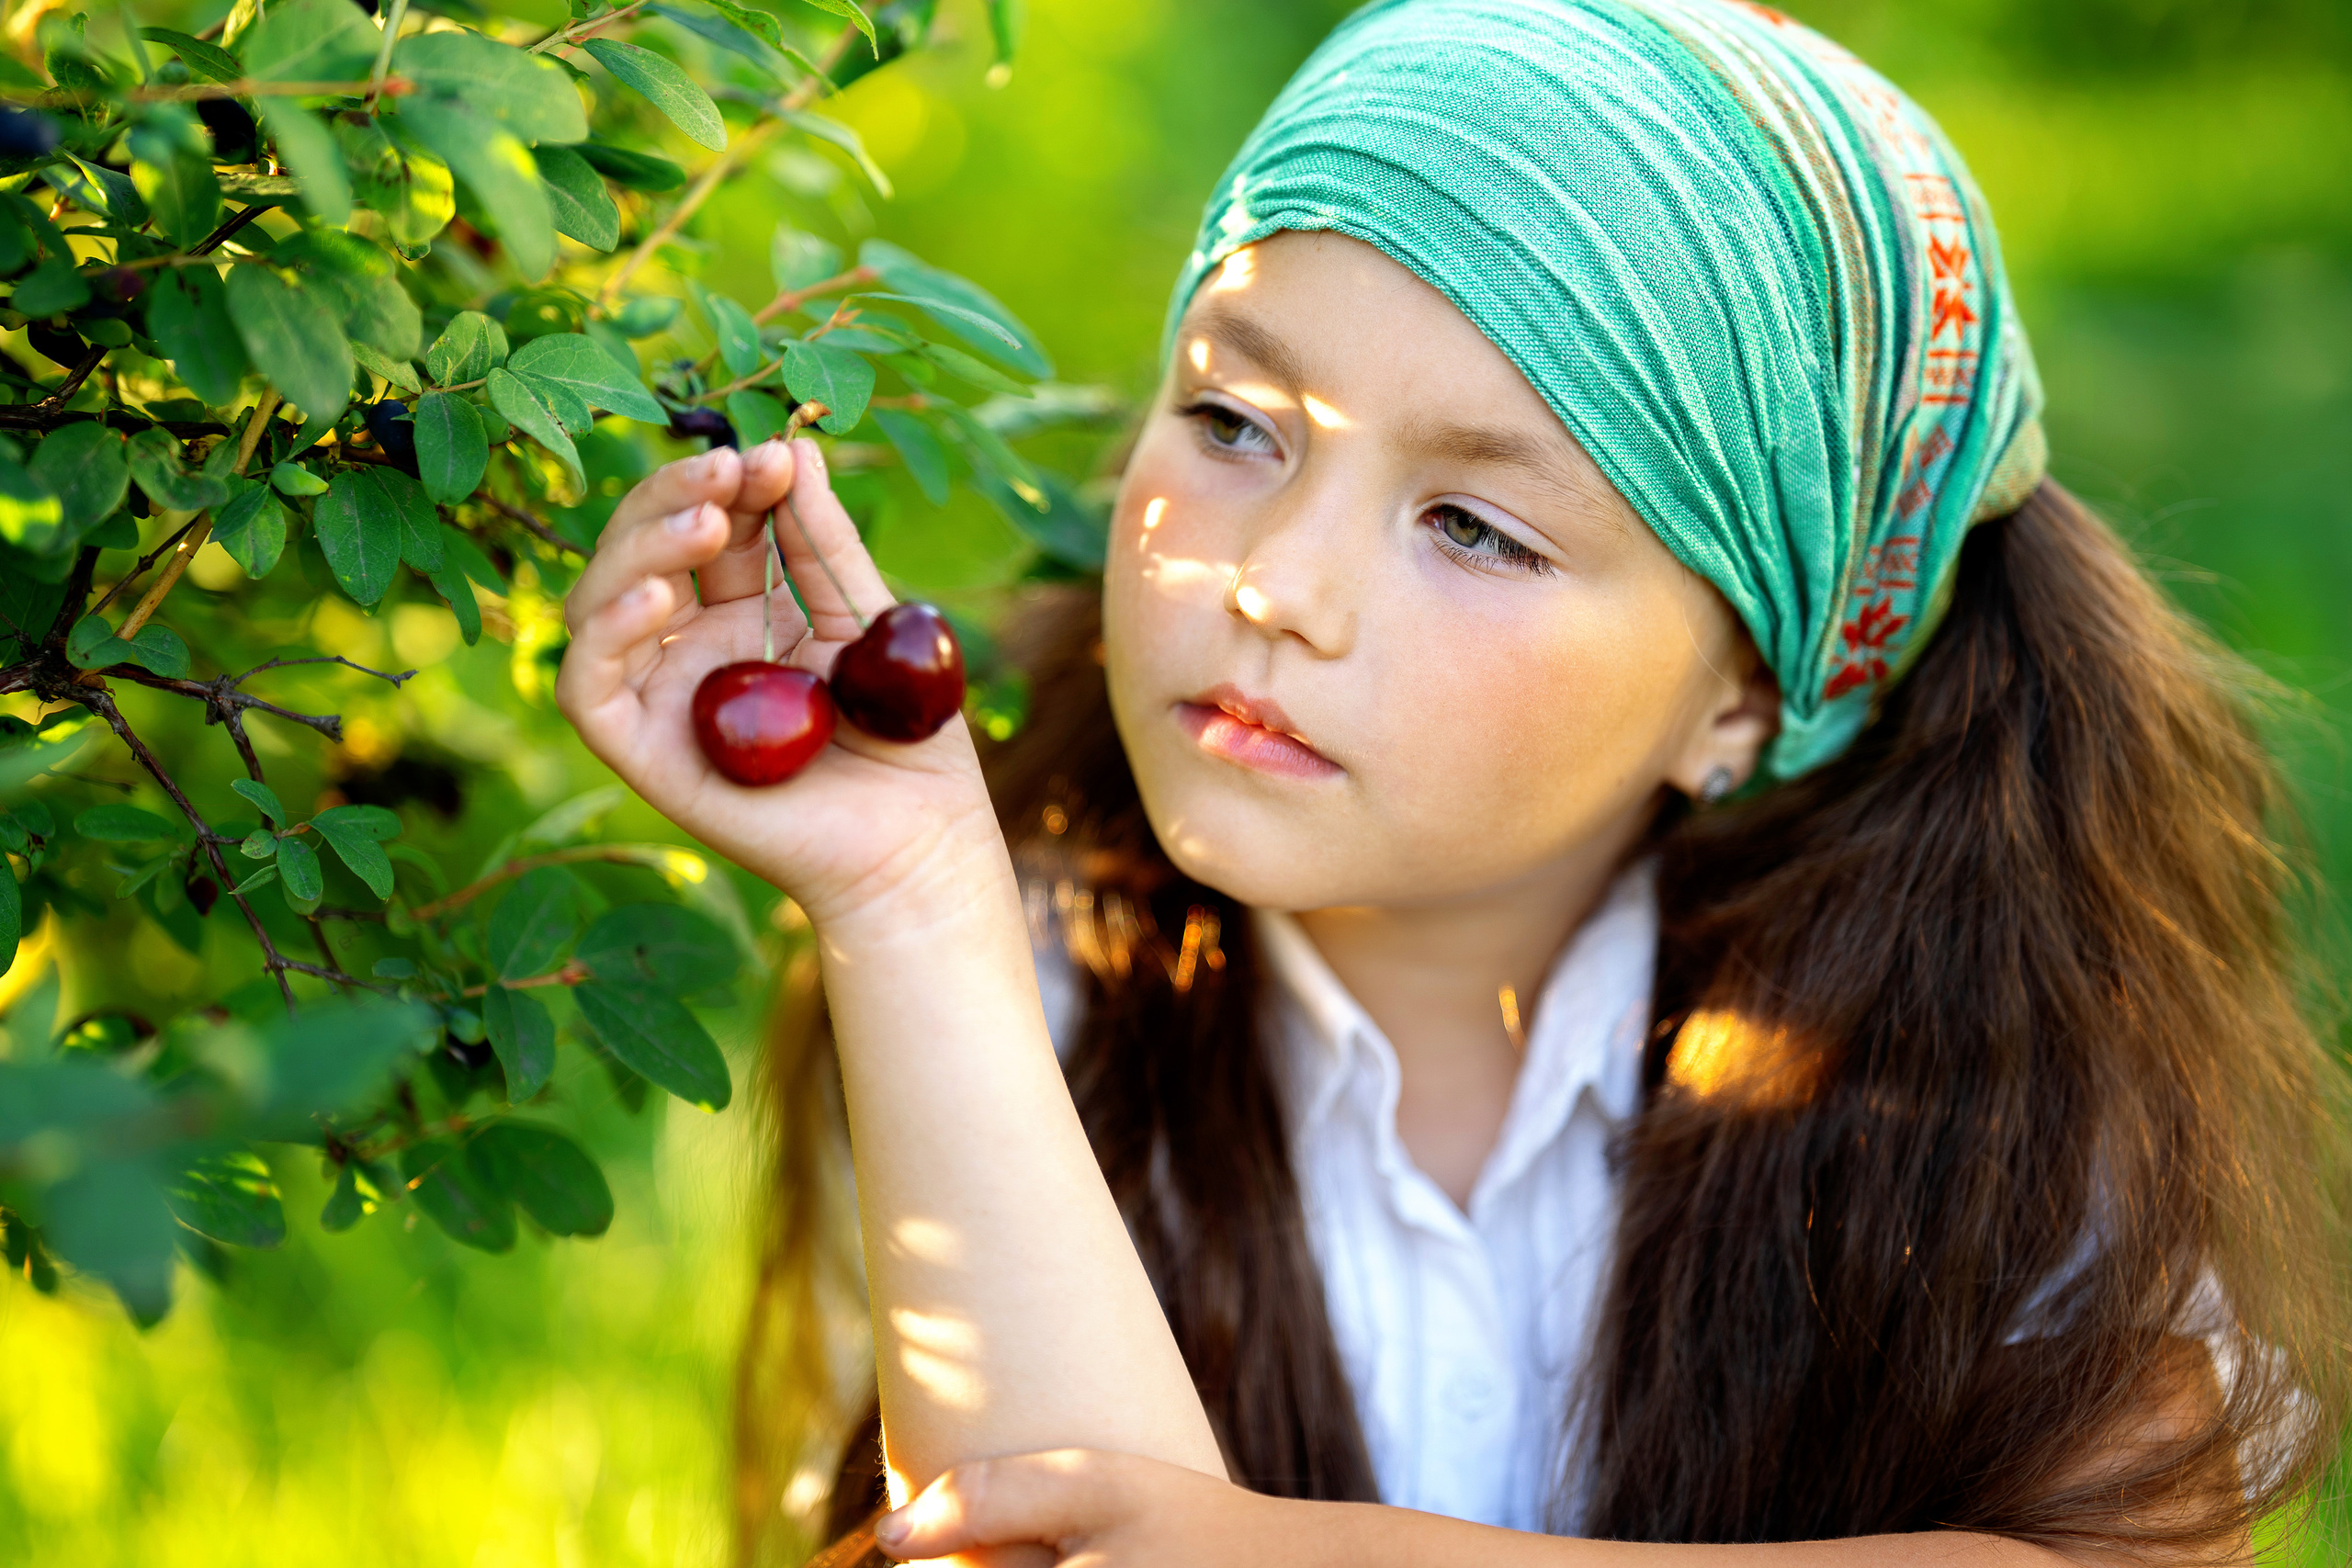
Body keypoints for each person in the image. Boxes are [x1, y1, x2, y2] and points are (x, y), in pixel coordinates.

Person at [557, 0, 2351, 1562]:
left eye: (1475, 526)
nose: (1276, 584)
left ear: (1742, 692)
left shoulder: (1976, 1058)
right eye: (1235, 422)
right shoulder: (1036, 980)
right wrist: (908, 901)